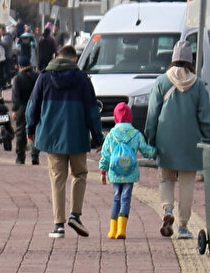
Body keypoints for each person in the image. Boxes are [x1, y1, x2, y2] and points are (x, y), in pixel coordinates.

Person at [27, 39, 102, 237]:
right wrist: (98, 137)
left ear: (56, 57)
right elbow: (92, 111)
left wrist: (30, 128)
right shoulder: (83, 79)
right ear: (74, 58)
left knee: (57, 178)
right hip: (77, 136)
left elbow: (33, 105)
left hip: (52, 137)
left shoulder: (44, 77)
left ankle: (58, 225)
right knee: (79, 174)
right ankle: (75, 215)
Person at [143, 39, 210, 241]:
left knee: (166, 178)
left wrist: (151, 139)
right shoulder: (198, 85)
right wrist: (207, 139)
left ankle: (167, 210)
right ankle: (183, 225)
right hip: (191, 141)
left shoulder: (162, 81)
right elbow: (205, 117)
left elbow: (153, 114)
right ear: (190, 60)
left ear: (173, 59)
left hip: (166, 140)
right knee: (187, 182)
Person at [99, 101, 157, 239]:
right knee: (125, 198)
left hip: (114, 172)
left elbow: (105, 154)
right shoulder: (135, 134)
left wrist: (103, 171)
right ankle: (121, 230)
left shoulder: (111, 135)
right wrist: (155, 152)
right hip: (130, 172)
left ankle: (112, 230)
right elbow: (146, 151)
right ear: (130, 117)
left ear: (115, 117)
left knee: (116, 198)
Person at [12, 47, 37, 166]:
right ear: (30, 64)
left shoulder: (18, 79)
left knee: (20, 132)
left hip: (22, 107)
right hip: (35, 107)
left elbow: (15, 96)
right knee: (35, 131)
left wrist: (14, 110)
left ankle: (20, 156)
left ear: (20, 66)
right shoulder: (37, 76)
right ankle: (34, 156)